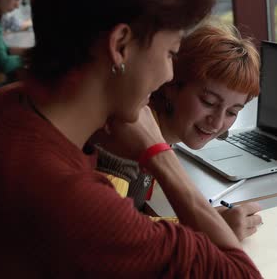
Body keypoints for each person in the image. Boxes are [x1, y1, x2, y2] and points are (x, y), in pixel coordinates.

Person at [0, 0, 262, 277]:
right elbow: (241, 274)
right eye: (171, 53)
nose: (169, 75)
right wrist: (159, 153)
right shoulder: (72, 198)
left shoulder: (4, 105)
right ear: (120, 45)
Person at [96, 21, 263, 241]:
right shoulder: (128, 134)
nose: (216, 122)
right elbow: (111, 235)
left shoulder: (161, 131)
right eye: (208, 101)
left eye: (232, 112)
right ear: (172, 84)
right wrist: (208, 226)